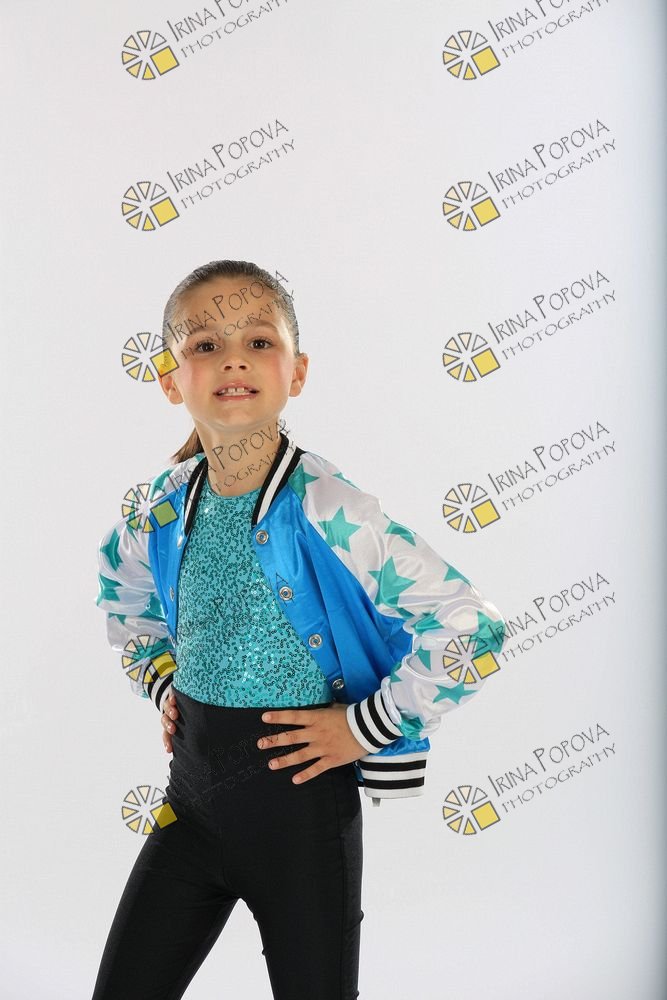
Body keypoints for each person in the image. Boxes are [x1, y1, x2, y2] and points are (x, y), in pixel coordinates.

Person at [92, 259, 507, 1000]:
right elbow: (123, 600)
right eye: (205, 345)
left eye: (258, 341)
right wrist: (161, 681)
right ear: (170, 379)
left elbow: (471, 631)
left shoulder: (329, 507)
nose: (234, 361)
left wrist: (364, 727)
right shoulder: (160, 505)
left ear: (298, 371)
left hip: (302, 825)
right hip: (189, 811)